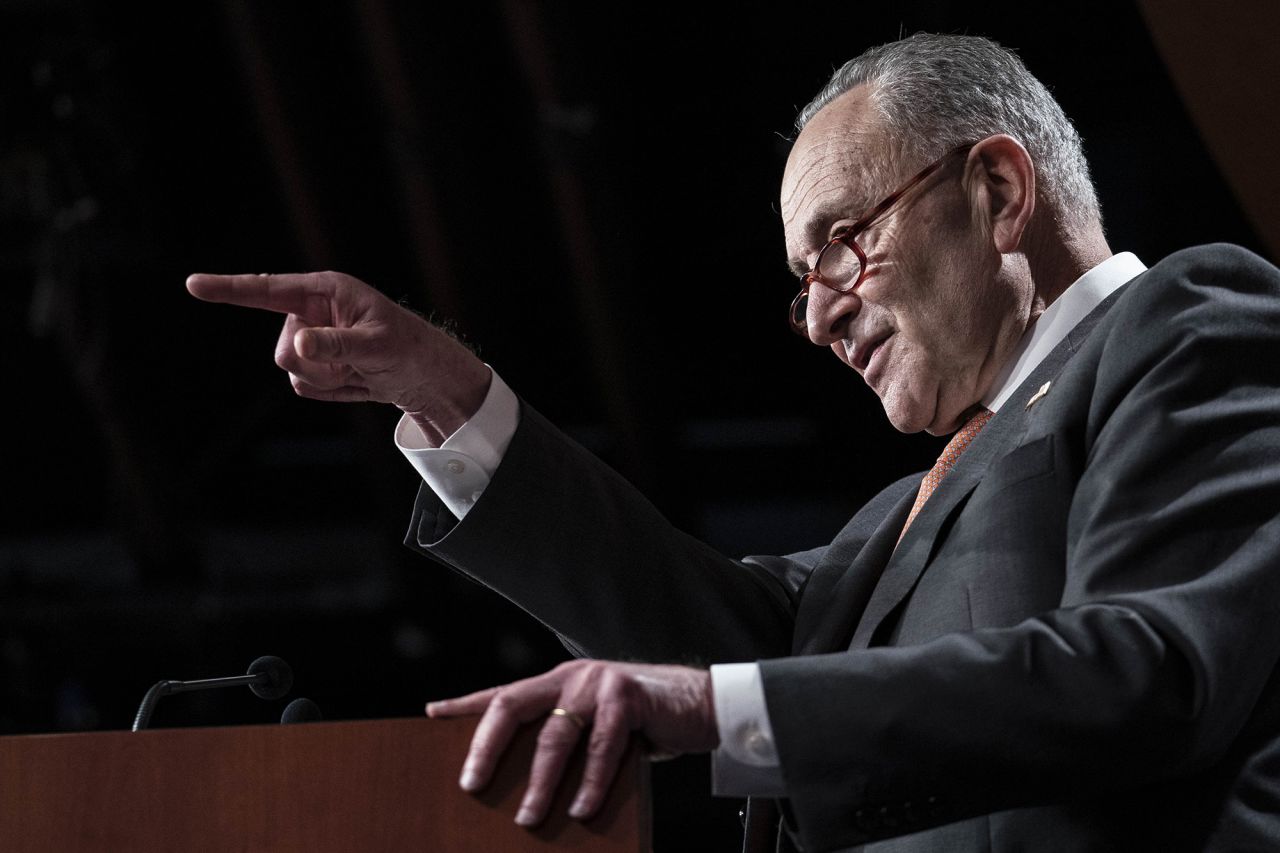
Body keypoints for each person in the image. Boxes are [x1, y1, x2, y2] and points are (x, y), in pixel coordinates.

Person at [187, 33, 1280, 853]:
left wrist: (715, 707)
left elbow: (1150, 667)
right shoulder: (893, 520)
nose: (817, 316)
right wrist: (448, 395)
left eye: (840, 248)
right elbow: (716, 640)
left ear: (995, 191)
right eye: (800, 286)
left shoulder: (1194, 320)